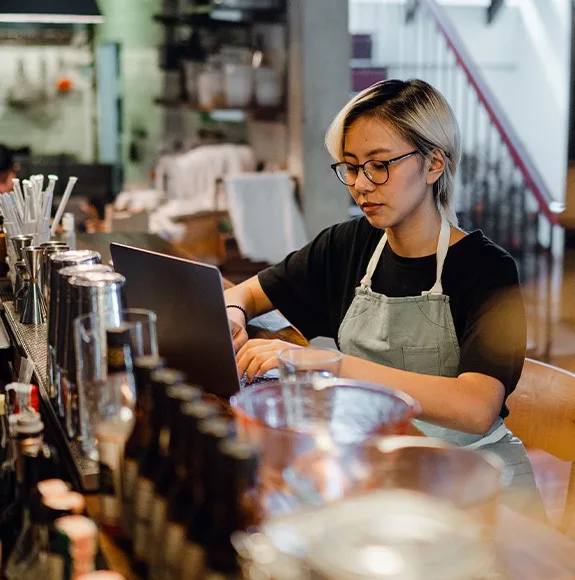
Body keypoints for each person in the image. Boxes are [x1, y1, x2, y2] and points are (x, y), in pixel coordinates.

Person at [224, 79, 545, 519]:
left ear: (434, 163)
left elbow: (474, 406)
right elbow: (250, 291)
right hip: (385, 472)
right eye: (351, 167)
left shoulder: (487, 269)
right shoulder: (348, 245)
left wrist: (331, 367)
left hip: (477, 484)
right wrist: (232, 312)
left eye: (379, 165)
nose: (360, 185)